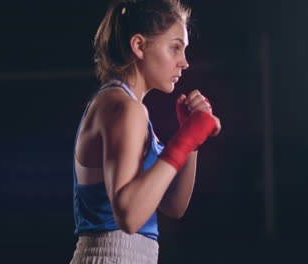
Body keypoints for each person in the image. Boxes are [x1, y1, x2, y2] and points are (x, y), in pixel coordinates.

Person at [69, 0, 221, 263]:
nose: (184, 62)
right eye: (175, 47)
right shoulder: (124, 109)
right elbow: (129, 216)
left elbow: (173, 205)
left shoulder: (126, 107)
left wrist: (190, 141)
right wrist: (185, 141)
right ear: (139, 45)